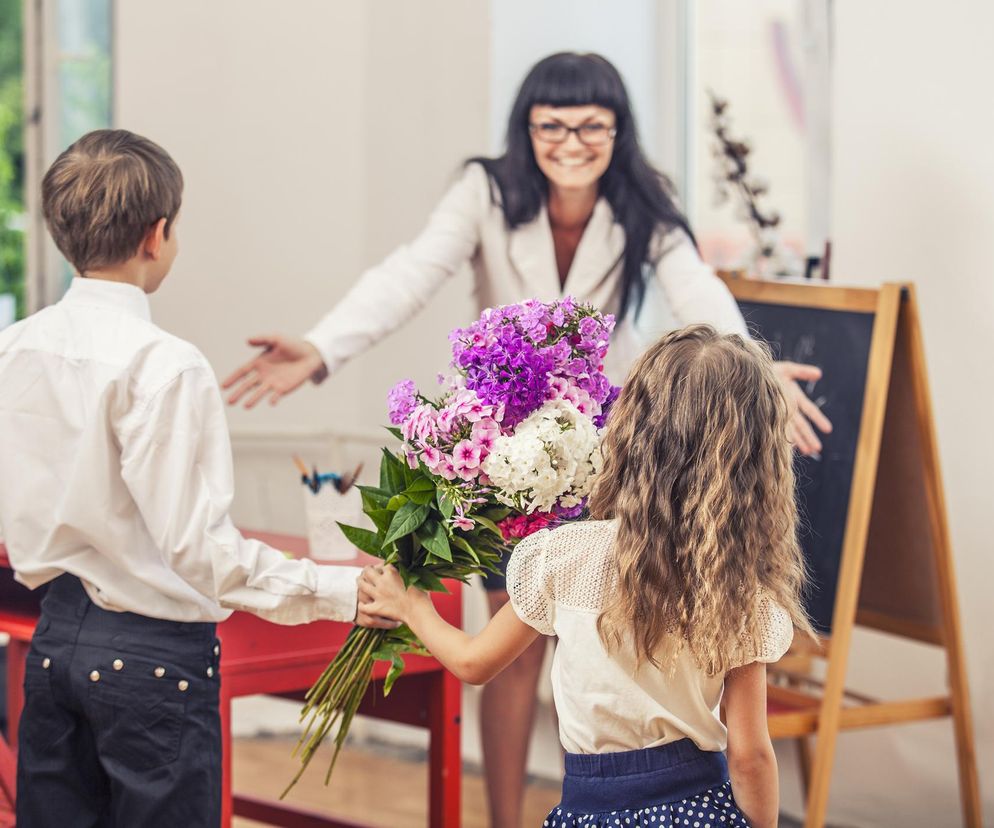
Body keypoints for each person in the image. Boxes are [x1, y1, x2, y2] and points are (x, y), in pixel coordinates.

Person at [222, 52, 831, 827]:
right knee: (511, 657)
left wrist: (753, 369)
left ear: (619, 131)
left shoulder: (644, 201)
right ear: (527, 128)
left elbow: (697, 290)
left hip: (616, 462)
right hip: (507, 466)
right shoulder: (485, 191)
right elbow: (410, 273)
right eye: (552, 125)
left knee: (624, 634)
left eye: (591, 126)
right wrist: (322, 346)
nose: (571, 142)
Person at [0, 129, 392, 828]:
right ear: (159, 235)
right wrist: (339, 591)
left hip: (52, 648)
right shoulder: (165, 365)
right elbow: (199, 554)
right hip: (152, 664)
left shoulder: (14, 349)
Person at [359, 325, 815, 828]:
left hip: (589, 811)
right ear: (758, 465)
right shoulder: (737, 590)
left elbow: (474, 663)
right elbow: (751, 755)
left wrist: (411, 606)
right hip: (700, 809)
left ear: (631, 430)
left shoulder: (566, 557)